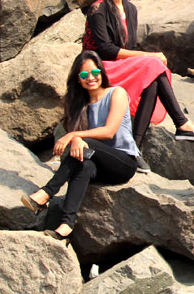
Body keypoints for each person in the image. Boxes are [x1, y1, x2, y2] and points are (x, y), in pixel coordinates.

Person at [84, 0, 194, 172]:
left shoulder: (130, 9)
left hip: (120, 67)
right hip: (99, 69)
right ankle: (181, 123)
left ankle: (134, 147)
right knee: (153, 64)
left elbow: (129, 46)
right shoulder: (98, 9)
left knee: (152, 79)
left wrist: (146, 58)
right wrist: (148, 56)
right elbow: (105, 49)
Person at [21, 51, 139, 240]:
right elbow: (82, 144)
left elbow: (109, 131)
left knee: (86, 144)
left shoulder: (117, 93)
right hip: (98, 165)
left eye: (95, 72)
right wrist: (76, 138)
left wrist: (73, 135)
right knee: (84, 165)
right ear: (78, 79)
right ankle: (66, 225)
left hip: (123, 163)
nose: (91, 78)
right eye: (84, 75)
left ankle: (47, 192)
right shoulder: (80, 105)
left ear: (102, 72)